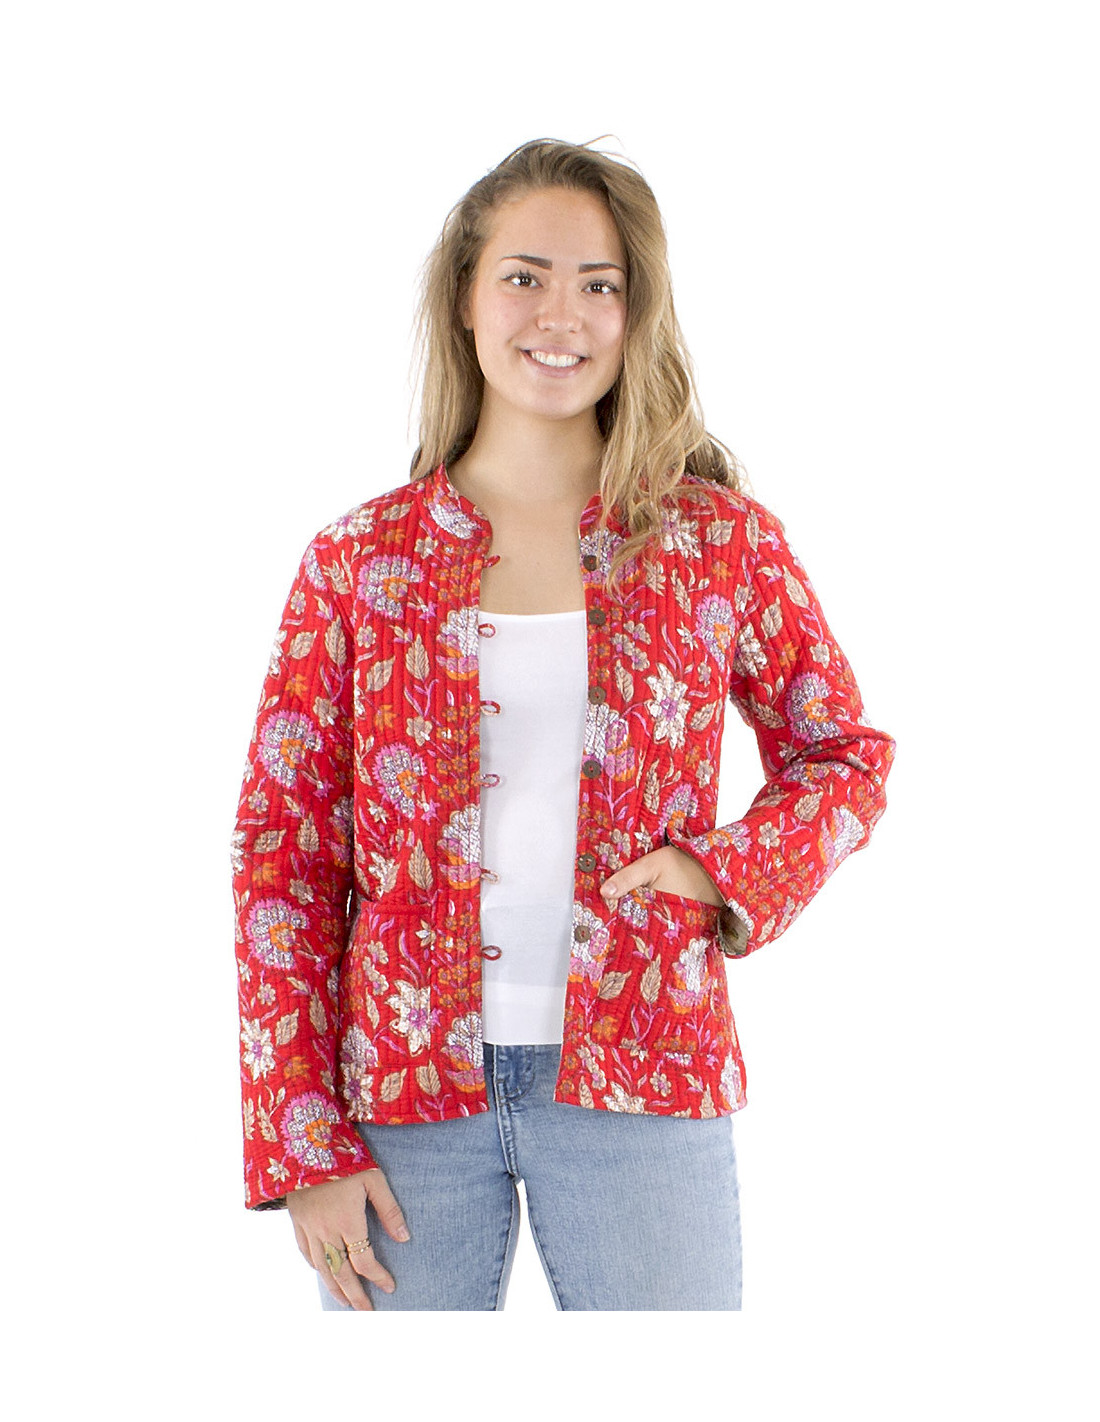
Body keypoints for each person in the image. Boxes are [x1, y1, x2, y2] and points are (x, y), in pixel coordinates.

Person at [230, 137, 896, 1311]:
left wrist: (719, 870)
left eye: (599, 285)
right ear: (464, 298)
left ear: (636, 314)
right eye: (524, 277)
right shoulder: (358, 561)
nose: (561, 316)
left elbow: (842, 754)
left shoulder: (714, 542)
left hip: (646, 1067)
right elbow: (283, 856)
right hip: (397, 1096)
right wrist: (299, 1139)